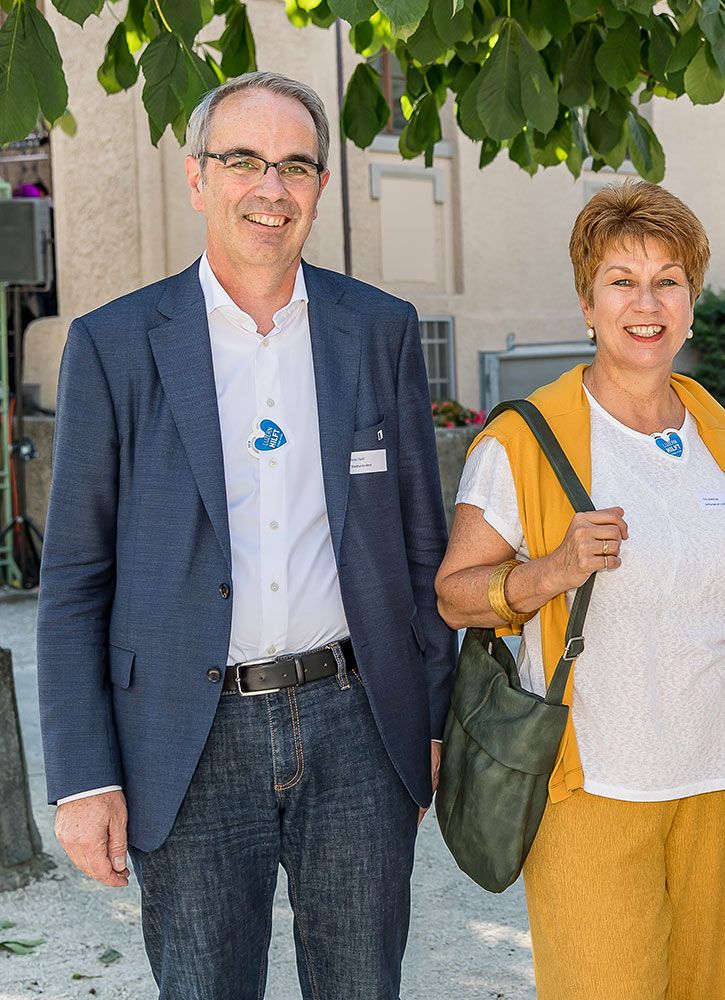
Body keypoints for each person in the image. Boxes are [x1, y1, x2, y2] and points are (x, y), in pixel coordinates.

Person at [36, 72, 452, 999]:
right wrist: (82, 777)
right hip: (185, 738)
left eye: (295, 165)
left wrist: (431, 717)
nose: (271, 187)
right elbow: (73, 578)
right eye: (243, 161)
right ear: (197, 178)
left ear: (319, 188)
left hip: (357, 728)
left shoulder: (379, 331)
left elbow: (424, 549)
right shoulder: (115, 345)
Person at [433, 180, 725, 1000]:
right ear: (587, 303)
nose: (647, 302)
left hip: (722, 782)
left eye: (669, 280)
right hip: (590, 788)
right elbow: (455, 595)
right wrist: (551, 571)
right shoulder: (524, 438)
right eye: (622, 281)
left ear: (693, 302)